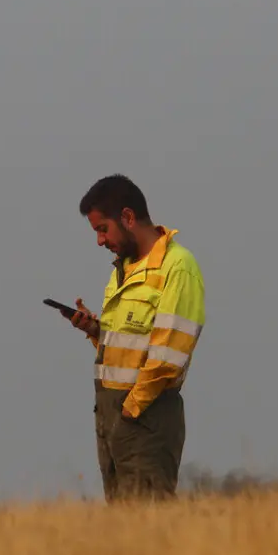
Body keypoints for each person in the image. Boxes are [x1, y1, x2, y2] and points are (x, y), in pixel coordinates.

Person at [66, 174, 206, 503]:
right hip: (111, 419)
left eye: (103, 229)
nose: (99, 241)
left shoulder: (178, 266)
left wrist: (131, 410)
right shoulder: (123, 269)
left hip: (145, 419)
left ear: (128, 217)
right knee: (122, 529)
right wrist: (95, 331)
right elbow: (128, 345)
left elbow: (170, 355)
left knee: (151, 521)